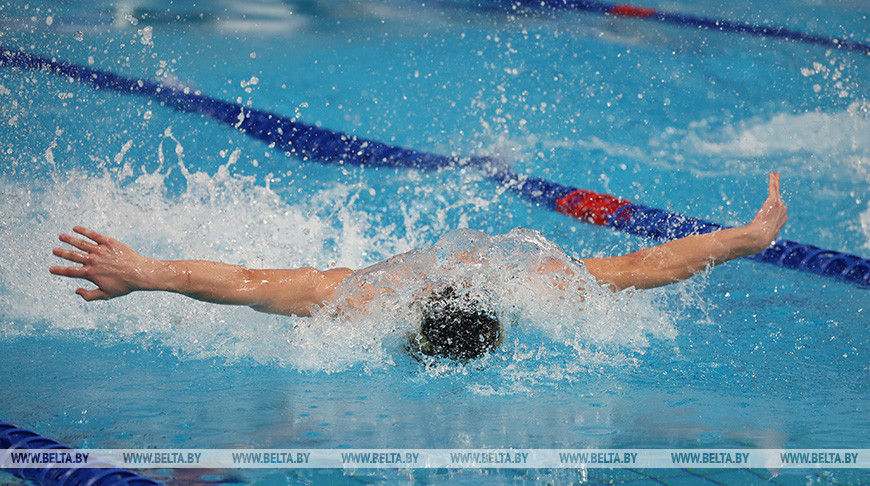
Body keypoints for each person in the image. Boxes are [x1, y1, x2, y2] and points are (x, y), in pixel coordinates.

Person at [50, 173, 787, 359]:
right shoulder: (374, 296)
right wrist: (744, 239)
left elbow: (247, 284)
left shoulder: (534, 283)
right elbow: (648, 265)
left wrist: (146, 272)